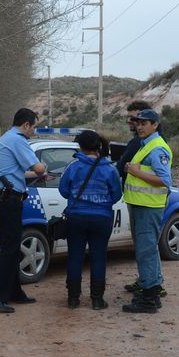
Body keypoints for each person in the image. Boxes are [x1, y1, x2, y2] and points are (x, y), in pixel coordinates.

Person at [0, 108, 47, 313]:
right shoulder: (18, 140)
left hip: (2, 198)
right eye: (34, 127)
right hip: (8, 199)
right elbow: (38, 168)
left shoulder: (6, 138)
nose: (34, 131)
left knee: (10, 247)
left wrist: (34, 175)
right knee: (10, 249)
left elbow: (14, 171)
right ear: (25, 125)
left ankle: (13, 292)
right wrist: (43, 167)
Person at [59, 131, 122, 310]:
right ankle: (97, 300)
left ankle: (73, 298)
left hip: (76, 217)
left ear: (80, 146)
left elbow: (63, 191)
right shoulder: (110, 169)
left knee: (75, 256)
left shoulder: (73, 166)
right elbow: (117, 194)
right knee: (99, 257)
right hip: (102, 218)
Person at [121, 109, 173, 313]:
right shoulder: (146, 145)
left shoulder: (157, 148)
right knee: (146, 249)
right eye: (138, 123)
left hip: (149, 207)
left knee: (146, 251)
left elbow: (164, 180)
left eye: (144, 123)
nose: (139, 127)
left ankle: (149, 299)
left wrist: (136, 172)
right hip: (142, 205)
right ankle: (152, 290)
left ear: (155, 125)